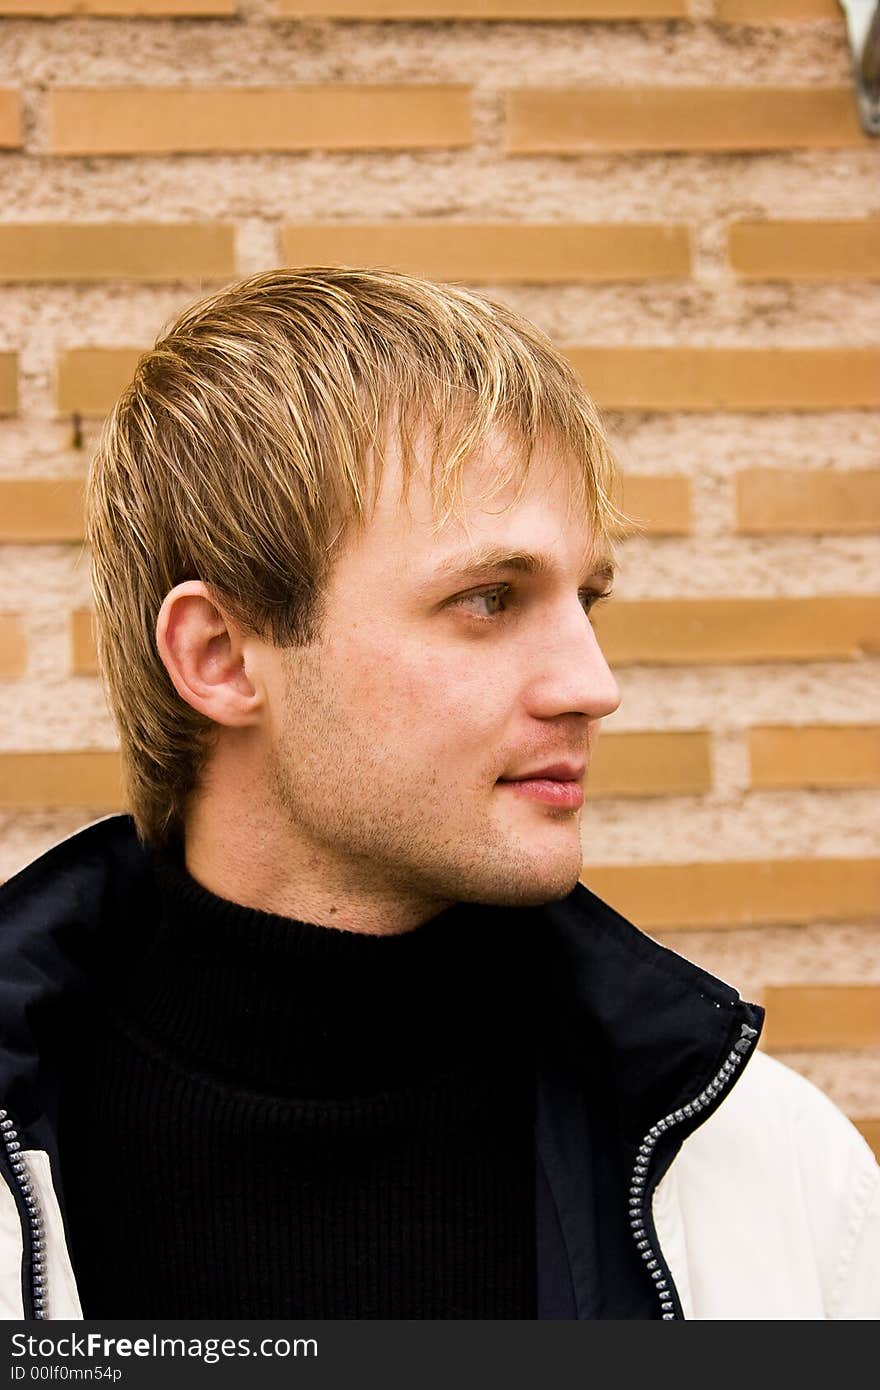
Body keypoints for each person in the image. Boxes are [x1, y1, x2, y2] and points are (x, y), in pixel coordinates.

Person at [0, 268, 877, 1323]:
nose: (593, 686)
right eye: (489, 599)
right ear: (224, 656)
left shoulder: (766, 1175)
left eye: (583, 599)